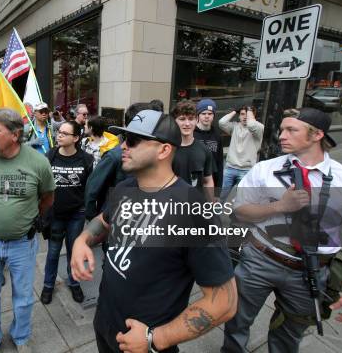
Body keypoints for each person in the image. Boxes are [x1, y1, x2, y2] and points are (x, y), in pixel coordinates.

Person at [71, 109, 237, 353]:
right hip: (105, 325)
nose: (123, 146)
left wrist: (155, 338)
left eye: (133, 141)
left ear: (164, 150)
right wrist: (83, 240)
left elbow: (225, 301)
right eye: (123, 139)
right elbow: (105, 221)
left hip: (142, 344)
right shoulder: (127, 186)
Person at [221, 107, 342, 353]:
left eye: (291, 130)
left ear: (317, 135)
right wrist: (279, 206)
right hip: (260, 259)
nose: (281, 135)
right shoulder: (265, 170)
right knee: (237, 318)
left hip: (311, 270)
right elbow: (239, 210)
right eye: (282, 129)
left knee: (289, 333)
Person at [0, 109, 55, 353]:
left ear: (15, 135)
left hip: (22, 245)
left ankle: (20, 335)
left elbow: (47, 197)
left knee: (24, 298)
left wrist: (27, 216)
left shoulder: (38, 162)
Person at [41, 121, 93, 305]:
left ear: (76, 138)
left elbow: (90, 186)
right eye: (59, 132)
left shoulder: (87, 159)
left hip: (76, 215)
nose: (59, 135)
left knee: (74, 251)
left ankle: (74, 282)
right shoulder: (50, 156)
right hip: (55, 214)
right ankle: (48, 285)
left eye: (64, 133)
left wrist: (87, 208)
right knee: (53, 252)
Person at [219, 106, 264, 199]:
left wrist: (250, 113)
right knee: (221, 196)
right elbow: (221, 123)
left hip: (246, 170)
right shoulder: (235, 126)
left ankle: (234, 213)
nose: (245, 117)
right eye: (242, 114)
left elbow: (251, 125)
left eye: (248, 115)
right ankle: (216, 213)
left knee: (241, 199)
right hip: (230, 167)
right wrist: (235, 111)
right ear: (239, 116)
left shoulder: (259, 128)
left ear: (253, 116)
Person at [171, 100, 215, 189]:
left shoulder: (204, 150)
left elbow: (208, 181)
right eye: (182, 119)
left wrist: (211, 202)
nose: (187, 123)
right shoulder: (166, 149)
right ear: (174, 121)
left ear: (197, 120)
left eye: (191, 119)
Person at [194, 99, 224, 188]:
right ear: (198, 115)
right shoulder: (191, 134)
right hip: (194, 180)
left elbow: (219, 163)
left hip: (211, 181)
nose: (207, 116)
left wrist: (217, 190)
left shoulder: (217, 136)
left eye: (210, 114)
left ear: (213, 116)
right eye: (203, 113)